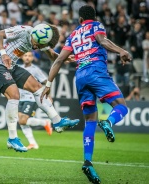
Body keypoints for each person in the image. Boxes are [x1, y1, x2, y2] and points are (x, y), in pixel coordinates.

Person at [40, 5, 132, 184]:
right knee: (121, 106)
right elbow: (102, 41)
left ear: (80, 19)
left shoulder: (73, 34)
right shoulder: (96, 25)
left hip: (80, 77)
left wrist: (48, 84)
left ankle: (88, 162)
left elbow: (59, 59)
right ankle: (108, 121)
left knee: (90, 121)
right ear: (93, 17)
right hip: (96, 71)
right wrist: (122, 51)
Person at [0, 23, 80, 152]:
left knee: (38, 87)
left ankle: (57, 122)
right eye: (37, 44)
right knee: (14, 95)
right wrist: (3, 53)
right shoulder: (23, 31)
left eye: (40, 46)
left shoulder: (40, 38)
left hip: (11, 65)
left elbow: (52, 55)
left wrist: (64, 58)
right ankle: (12, 138)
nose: (36, 47)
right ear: (34, 35)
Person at [18, 52, 52, 150]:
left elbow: (46, 81)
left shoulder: (35, 70)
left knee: (23, 120)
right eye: (25, 55)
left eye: (29, 56)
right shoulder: (19, 68)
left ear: (32, 58)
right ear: (22, 57)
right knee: (21, 122)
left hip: (31, 98)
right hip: (20, 97)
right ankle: (33, 143)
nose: (27, 57)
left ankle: (45, 122)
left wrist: (48, 94)